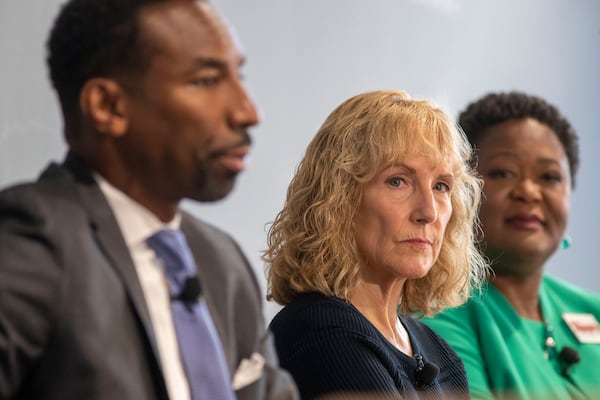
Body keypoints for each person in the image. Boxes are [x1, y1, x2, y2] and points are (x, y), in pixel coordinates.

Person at [0, 0, 298, 399]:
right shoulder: (35, 239)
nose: (247, 111)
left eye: (238, 76)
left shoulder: (222, 261)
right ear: (108, 106)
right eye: (207, 80)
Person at [264, 89, 488, 399]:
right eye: (398, 181)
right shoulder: (320, 332)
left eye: (441, 186)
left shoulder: (438, 351)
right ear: (339, 198)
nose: (428, 211)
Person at [423, 91, 600, 399]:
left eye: (549, 176)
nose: (529, 192)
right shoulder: (433, 307)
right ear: (459, 188)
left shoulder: (592, 310)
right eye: (503, 172)